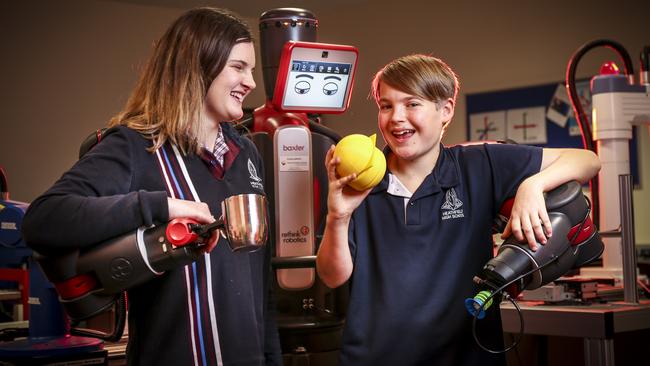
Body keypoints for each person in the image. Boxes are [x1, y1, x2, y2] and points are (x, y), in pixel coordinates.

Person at [22, 7, 281, 366]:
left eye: (251, 69)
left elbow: (260, 281)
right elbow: (43, 219)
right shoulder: (134, 146)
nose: (252, 82)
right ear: (198, 67)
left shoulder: (246, 153)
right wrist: (163, 207)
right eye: (238, 67)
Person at [316, 54, 601, 365]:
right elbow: (332, 277)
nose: (396, 116)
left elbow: (587, 160)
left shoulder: (480, 165)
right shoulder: (358, 182)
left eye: (412, 104)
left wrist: (532, 186)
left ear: (445, 110)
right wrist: (338, 217)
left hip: (467, 357)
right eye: (386, 105)